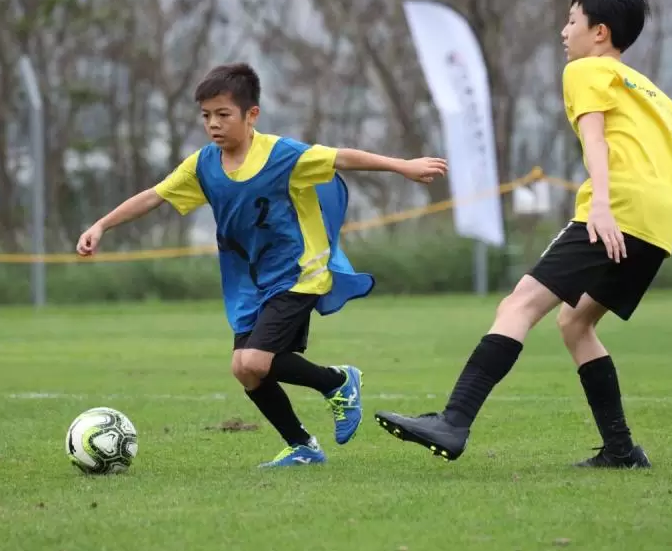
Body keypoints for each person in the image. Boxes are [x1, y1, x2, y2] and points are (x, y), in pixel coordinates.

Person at [374, 0, 672, 468]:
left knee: (519, 304)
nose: (564, 31)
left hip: (617, 211)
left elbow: (596, 141)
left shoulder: (586, 71)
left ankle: (453, 420)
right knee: (575, 323)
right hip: (660, 229)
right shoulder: (663, 101)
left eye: (572, 20)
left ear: (599, 32)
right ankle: (621, 449)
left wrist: (600, 204)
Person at [76, 62, 448, 468]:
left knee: (255, 359)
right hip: (249, 283)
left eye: (223, 114)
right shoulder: (203, 165)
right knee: (245, 370)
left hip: (298, 272)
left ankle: (339, 382)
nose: (213, 124)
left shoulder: (282, 155)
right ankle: (303, 445)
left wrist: (403, 166)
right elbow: (155, 196)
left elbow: (343, 158)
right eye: (206, 116)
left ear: (251, 115)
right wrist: (102, 225)